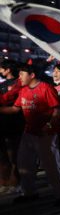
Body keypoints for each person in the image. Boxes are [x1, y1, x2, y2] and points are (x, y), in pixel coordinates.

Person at [0, 63, 60, 205]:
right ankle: (29, 193)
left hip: (46, 135)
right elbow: (15, 108)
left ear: (32, 75)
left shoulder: (46, 88)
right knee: (24, 163)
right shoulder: (24, 90)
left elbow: (57, 110)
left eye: (22, 74)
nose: (19, 78)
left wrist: (49, 124)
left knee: (51, 165)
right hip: (29, 132)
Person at [0, 59, 24, 194]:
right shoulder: (2, 84)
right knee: (3, 156)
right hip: (2, 123)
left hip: (14, 123)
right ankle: (4, 182)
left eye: (1, 68)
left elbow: (14, 104)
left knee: (14, 156)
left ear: (7, 69)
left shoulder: (19, 84)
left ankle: (16, 182)